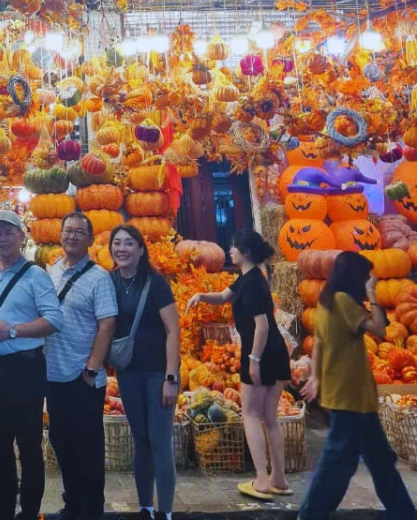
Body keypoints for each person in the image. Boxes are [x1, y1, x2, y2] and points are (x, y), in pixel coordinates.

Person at [298, 252, 417, 520]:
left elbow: (319, 342)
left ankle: (403, 513)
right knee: (339, 462)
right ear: (355, 277)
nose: (368, 280)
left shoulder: (327, 301)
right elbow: (380, 328)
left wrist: (316, 377)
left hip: (351, 396)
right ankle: (310, 513)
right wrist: (372, 294)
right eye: (366, 276)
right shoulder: (343, 302)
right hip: (350, 397)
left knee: (378, 460)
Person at [187, 228, 291, 502]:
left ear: (245, 252)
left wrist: (254, 360)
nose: (230, 250)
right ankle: (278, 479)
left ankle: (261, 480)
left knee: (252, 415)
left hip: (262, 351)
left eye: (234, 246)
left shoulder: (253, 283)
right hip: (277, 352)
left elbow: (262, 325)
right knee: (270, 417)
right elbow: (224, 296)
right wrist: (200, 296)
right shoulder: (248, 278)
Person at [0, 209, 64, 520]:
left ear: (21, 236)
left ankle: (29, 511)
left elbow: (54, 320)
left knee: (28, 445)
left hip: (25, 370)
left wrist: (13, 330)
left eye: (8, 232)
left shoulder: (35, 275)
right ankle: (3, 508)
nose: (2, 238)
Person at [45, 212, 117, 520]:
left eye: (79, 232)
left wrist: (91, 369)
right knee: (62, 444)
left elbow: (107, 324)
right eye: (68, 231)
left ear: (90, 239)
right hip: (53, 375)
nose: (72, 236)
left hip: (82, 377)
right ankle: (72, 505)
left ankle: (90, 511)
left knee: (87, 450)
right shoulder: (52, 270)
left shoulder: (99, 277)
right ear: (60, 235)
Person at [109, 225, 180, 520]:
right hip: (128, 372)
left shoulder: (155, 282)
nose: (121, 249)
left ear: (140, 249)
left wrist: (171, 378)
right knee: (140, 440)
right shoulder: (109, 281)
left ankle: (165, 511)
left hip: (157, 372)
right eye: (117, 243)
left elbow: (173, 330)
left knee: (159, 440)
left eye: (129, 243)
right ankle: (145, 508)